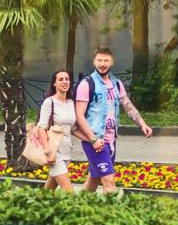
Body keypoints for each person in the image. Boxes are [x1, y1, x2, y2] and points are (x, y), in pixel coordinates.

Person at [74, 47, 153, 193]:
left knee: (95, 178)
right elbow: (79, 115)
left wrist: (142, 124)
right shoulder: (87, 84)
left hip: (111, 140)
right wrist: (93, 139)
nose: (102, 64)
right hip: (95, 140)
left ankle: (77, 204)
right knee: (109, 182)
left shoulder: (116, 83)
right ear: (94, 62)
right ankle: (111, 208)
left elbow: (127, 105)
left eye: (106, 60)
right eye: (99, 60)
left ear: (111, 62)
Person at [36, 70, 97, 192]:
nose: (65, 82)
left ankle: (36, 202)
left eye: (67, 79)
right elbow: (41, 127)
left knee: (49, 189)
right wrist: (48, 151)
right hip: (54, 152)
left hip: (66, 151)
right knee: (69, 191)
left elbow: (73, 129)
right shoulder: (50, 102)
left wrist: (92, 140)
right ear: (54, 83)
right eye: (61, 79)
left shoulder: (71, 103)